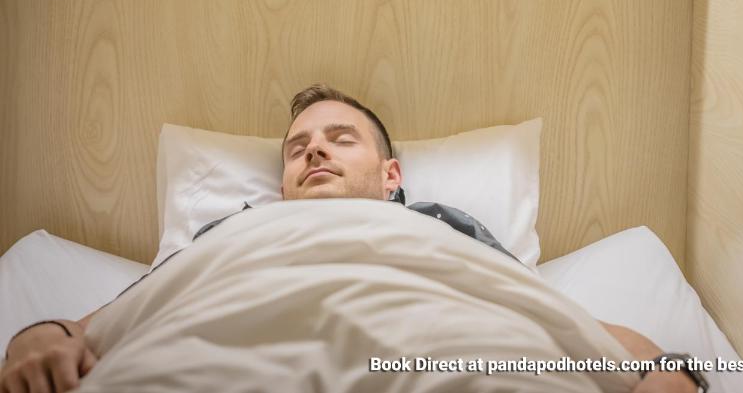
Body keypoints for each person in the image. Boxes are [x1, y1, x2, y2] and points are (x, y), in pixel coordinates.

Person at [1, 84, 706, 393]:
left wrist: (667, 371)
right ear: (283, 184)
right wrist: (34, 342)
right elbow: (92, 325)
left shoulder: (444, 227)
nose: (313, 150)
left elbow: (553, 315)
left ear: (391, 174)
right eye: (297, 147)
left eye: (340, 138)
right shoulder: (236, 231)